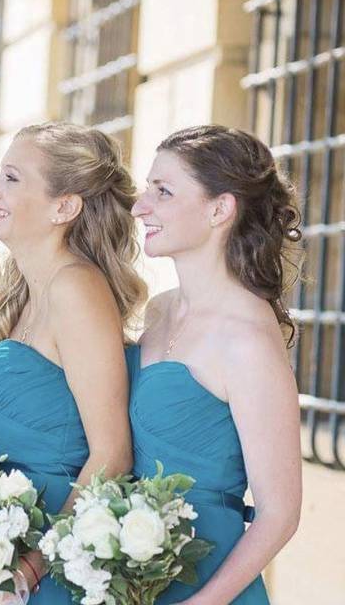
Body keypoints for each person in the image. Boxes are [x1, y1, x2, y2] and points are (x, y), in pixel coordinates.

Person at [0, 122, 145, 604]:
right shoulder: (17, 290)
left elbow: (113, 453)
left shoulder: (76, 289)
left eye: (11, 178)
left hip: (51, 550)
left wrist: (30, 568)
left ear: (64, 207)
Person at [128, 125, 302, 604]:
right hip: (131, 568)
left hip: (208, 581)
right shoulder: (159, 309)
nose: (141, 206)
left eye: (163, 191)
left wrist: (203, 602)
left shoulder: (246, 338)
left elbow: (280, 512)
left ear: (219, 209)